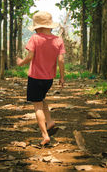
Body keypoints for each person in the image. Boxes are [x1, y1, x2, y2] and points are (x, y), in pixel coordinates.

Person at [16, 11, 65, 146]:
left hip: (35, 78)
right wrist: (62, 77)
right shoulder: (58, 40)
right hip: (49, 79)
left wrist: (21, 62)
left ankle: (45, 135)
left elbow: (30, 56)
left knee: (37, 106)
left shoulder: (35, 38)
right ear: (49, 26)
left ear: (38, 27)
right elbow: (61, 60)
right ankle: (49, 122)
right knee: (42, 99)